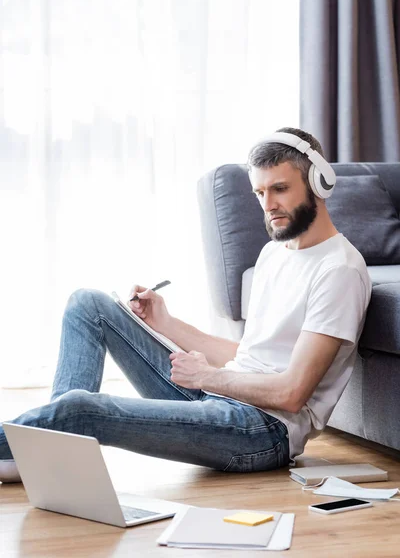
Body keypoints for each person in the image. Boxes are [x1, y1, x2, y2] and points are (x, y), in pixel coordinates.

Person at [0, 127, 372, 483]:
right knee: (88, 305)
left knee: (81, 408)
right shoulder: (274, 253)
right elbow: (249, 355)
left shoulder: (338, 271)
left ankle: (44, 442)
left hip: (263, 431)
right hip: (224, 394)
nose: (268, 205)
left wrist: (208, 376)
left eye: (280, 189)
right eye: (259, 193)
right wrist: (165, 322)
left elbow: (291, 394)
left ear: (319, 184)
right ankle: (52, 450)